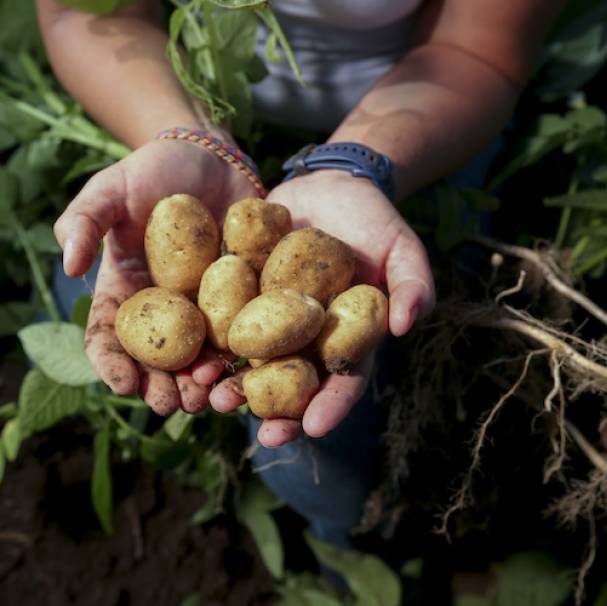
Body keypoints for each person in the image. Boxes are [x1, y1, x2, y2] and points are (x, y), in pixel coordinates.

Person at [38, 0, 562, 548]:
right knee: (85, 294)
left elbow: (479, 51)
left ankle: (345, 545)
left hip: (417, 129)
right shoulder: (208, 283)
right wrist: (187, 136)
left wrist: (353, 166)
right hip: (184, 104)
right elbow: (80, 14)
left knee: (330, 456)